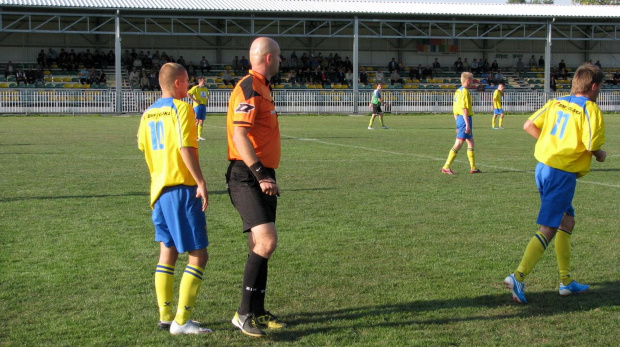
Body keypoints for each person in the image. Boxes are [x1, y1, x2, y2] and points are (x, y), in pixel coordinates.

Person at [503, 63, 606, 304]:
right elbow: (591, 145)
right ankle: (518, 276)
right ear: (593, 86)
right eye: (600, 86)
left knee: (566, 221)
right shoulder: (590, 109)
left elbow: (528, 125)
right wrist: (601, 155)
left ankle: (566, 282)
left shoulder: (556, 102)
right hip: (561, 173)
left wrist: (551, 144)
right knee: (549, 228)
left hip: (543, 167)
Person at [137, 62, 212, 335]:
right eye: (187, 82)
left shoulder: (146, 114)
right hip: (181, 188)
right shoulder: (182, 108)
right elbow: (184, 147)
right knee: (198, 255)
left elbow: (143, 147)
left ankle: (166, 315)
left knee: (167, 253)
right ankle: (182, 321)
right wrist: (201, 182)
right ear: (179, 83)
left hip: (157, 191)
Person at [226, 37, 287, 338]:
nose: (281, 61)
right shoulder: (250, 87)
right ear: (266, 58)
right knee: (266, 242)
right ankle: (243, 314)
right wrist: (261, 173)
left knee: (259, 245)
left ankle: (258, 311)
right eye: (278, 56)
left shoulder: (264, 87)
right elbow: (240, 136)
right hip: (247, 174)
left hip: (262, 174)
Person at [441, 72, 480, 175]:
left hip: (459, 119)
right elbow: (464, 108)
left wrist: (457, 123)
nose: (472, 82)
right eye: (471, 80)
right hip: (464, 119)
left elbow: (455, 109)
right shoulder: (465, 92)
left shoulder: (458, 91)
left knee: (470, 142)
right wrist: (467, 124)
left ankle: (473, 167)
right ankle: (446, 166)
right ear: (468, 81)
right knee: (458, 144)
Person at [187, 76, 210, 141]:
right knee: (196, 120)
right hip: (197, 106)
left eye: (204, 81)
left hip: (203, 105)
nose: (204, 82)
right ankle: (194, 136)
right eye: (203, 81)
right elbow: (188, 93)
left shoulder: (205, 88)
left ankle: (199, 136)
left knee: (201, 120)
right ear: (199, 81)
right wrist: (194, 100)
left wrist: (207, 99)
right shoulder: (195, 88)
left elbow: (207, 96)